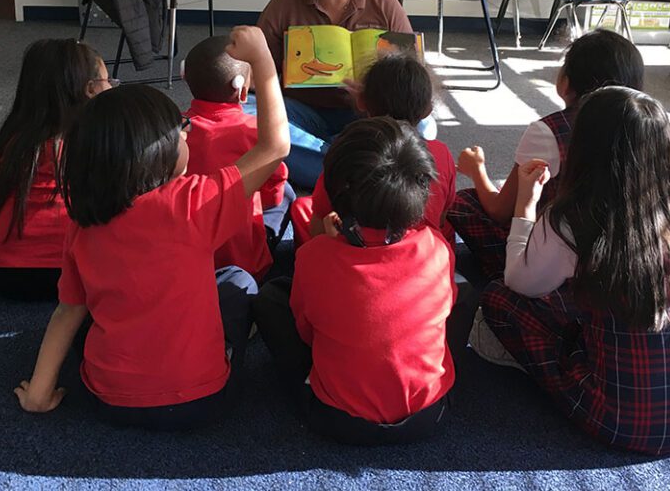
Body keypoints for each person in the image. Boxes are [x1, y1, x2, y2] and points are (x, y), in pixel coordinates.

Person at [14, 26, 289, 430]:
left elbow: (67, 311)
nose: (187, 130)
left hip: (108, 400)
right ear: (160, 153)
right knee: (238, 282)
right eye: (181, 129)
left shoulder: (83, 220)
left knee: (89, 313)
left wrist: (39, 393)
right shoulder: (195, 202)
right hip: (206, 400)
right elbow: (275, 146)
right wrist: (263, 62)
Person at [477, 87, 670, 455]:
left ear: (584, 148)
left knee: (498, 299)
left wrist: (526, 205)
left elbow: (518, 282)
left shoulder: (570, 219)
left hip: (624, 420)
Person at [254, 117, 479, 445]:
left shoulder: (314, 255)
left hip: (335, 419)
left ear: (336, 193)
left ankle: (313, 382)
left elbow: (306, 331)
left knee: (270, 298)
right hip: (430, 415)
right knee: (465, 292)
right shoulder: (436, 247)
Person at [449, 29, 644, 277]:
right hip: (618, 250)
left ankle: (501, 270)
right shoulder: (645, 126)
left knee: (464, 202)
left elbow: (500, 210)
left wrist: (477, 170)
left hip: (556, 244)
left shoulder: (548, 132)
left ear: (566, 83)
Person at [255, 0, 415, 189]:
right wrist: (278, 77)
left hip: (369, 116)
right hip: (304, 112)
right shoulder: (285, 3)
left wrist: (373, 92)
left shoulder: (384, 3)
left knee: (424, 127)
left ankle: (329, 168)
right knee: (250, 115)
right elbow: (258, 69)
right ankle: (362, 170)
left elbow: (414, 76)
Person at [0, 38, 113, 301]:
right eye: (109, 81)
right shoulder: (103, 141)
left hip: (7, 278)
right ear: (91, 89)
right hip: (81, 274)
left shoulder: (15, 141)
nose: (111, 86)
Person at [290, 53, 455, 246]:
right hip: (422, 254)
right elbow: (442, 216)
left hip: (355, 254)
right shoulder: (441, 153)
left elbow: (318, 226)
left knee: (301, 207)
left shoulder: (347, 155)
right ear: (428, 111)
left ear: (361, 101)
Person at [182, 35, 295, 279]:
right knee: (287, 193)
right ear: (242, 89)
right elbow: (273, 187)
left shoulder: (174, 131)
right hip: (242, 255)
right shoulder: (252, 131)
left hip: (188, 246)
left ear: (184, 76)